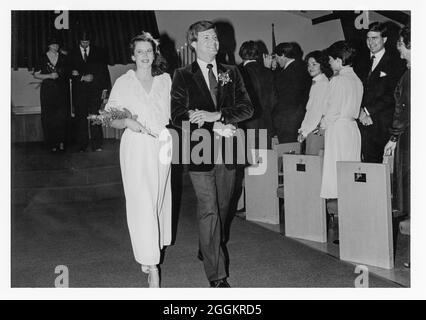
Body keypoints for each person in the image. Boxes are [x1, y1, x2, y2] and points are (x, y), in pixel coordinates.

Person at [171, 20, 253, 288]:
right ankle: (217, 276)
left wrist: (218, 115)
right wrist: (210, 123)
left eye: (215, 38)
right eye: (207, 39)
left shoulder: (232, 72)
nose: (214, 43)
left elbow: (247, 108)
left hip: (229, 147)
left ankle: (206, 245)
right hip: (199, 148)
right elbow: (177, 116)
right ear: (193, 43)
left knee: (224, 207)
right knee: (208, 210)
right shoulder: (182, 74)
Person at [105, 32, 172, 288]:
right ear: (132, 56)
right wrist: (128, 122)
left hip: (163, 143)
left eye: (149, 51)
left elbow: (178, 109)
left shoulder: (165, 80)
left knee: (157, 201)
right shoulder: (124, 82)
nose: (145, 56)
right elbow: (109, 117)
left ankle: (150, 250)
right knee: (141, 202)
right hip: (135, 145)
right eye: (140, 52)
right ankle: (152, 265)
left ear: (155, 54)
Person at [320, 41, 363, 213]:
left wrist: (322, 125)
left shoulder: (338, 80)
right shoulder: (357, 80)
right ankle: (351, 211)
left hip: (338, 129)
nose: (329, 63)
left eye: (331, 59)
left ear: (339, 60)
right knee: (350, 170)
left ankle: (341, 214)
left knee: (337, 173)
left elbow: (333, 110)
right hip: (352, 129)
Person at [356, 22, 406, 163]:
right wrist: (361, 111)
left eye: (375, 38)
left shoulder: (396, 62)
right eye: (368, 38)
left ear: (384, 39)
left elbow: (392, 94)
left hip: (382, 125)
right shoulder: (361, 61)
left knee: (381, 170)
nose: (370, 42)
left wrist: (368, 110)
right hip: (362, 123)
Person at [384, 25, 410, 217]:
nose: (398, 49)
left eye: (401, 44)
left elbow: (403, 109)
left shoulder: (411, 75)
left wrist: (393, 138)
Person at [69, 31, 111, 152]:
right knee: (81, 118)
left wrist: (105, 90)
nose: (85, 44)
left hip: (95, 91)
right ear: (79, 41)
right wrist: (81, 77)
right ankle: (82, 145)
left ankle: (97, 145)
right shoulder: (72, 53)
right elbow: (67, 72)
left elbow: (104, 72)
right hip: (79, 92)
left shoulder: (99, 52)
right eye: (83, 42)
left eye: (87, 42)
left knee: (95, 117)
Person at [33, 36, 69, 152]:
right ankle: (51, 143)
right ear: (49, 45)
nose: (56, 46)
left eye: (57, 44)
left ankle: (61, 142)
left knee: (62, 116)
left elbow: (68, 72)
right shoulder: (42, 58)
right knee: (49, 117)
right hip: (48, 91)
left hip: (62, 90)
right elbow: (36, 74)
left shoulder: (63, 57)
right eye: (53, 44)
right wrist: (49, 76)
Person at [272, 42, 311, 143]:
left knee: (287, 150)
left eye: (276, 57)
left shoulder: (287, 73)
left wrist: (269, 70)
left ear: (283, 55)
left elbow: (276, 92)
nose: (276, 60)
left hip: (287, 119)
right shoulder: (302, 68)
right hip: (299, 116)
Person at [297, 50, 333, 155]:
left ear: (322, 65)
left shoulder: (322, 84)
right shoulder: (316, 82)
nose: (310, 68)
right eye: (308, 65)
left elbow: (316, 112)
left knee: (313, 165)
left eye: (314, 64)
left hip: (315, 131)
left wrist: (304, 132)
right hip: (312, 130)